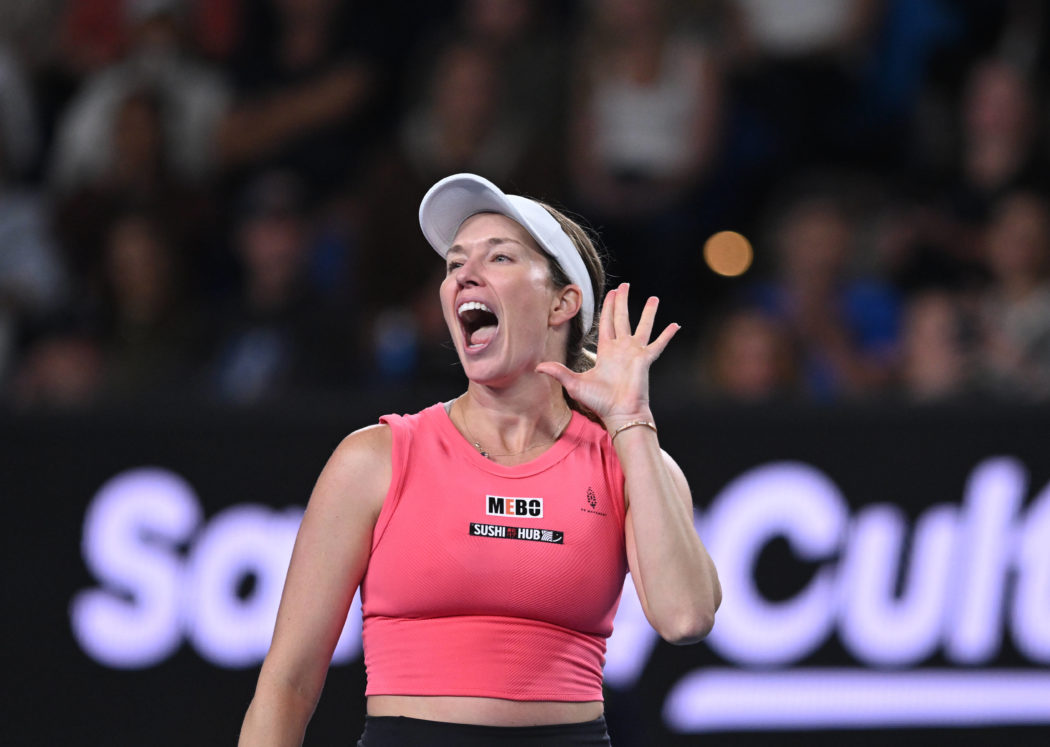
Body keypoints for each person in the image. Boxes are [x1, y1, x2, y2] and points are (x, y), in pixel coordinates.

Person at [239, 173, 721, 746]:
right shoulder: (376, 458)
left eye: (499, 257)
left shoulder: (629, 462)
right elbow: (288, 682)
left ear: (562, 303)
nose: (465, 273)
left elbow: (686, 617)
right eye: (454, 263)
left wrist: (629, 422)